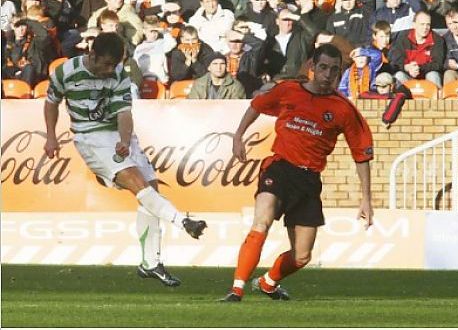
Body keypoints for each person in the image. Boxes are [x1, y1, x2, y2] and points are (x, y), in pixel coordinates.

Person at [43, 33, 207, 287]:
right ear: (92, 54)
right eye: (105, 64)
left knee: (150, 191)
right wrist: (51, 136)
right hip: (89, 137)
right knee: (136, 181)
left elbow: (124, 113)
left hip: (118, 135)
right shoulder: (66, 71)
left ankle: (150, 264)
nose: (110, 70)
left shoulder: (119, 73)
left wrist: (124, 139)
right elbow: (51, 103)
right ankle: (183, 221)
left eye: (114, 64)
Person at [221, 43, 374, 302]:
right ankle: (236, 289)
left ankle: (268, 282)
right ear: (313, 67)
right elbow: (256, 105)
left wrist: (366, 199)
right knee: (262, 220)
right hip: (279, 168)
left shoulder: (343, 109)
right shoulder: (288, 90)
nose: (328, 75)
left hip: (309, 180)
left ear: (339, 74)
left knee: (303, 256)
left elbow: (361, 153)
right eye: (323, 67)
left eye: (334, 71)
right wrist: (238, 136)